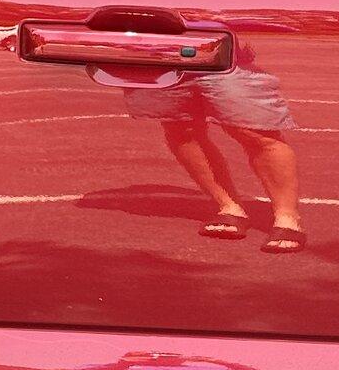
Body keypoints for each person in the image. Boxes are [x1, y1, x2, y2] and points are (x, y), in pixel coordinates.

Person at [115, 42, 306, 251]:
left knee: (254, 131)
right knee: (180, 128)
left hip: (224, 53)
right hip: (160, 57)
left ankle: (287, 217)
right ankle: (229, 206)